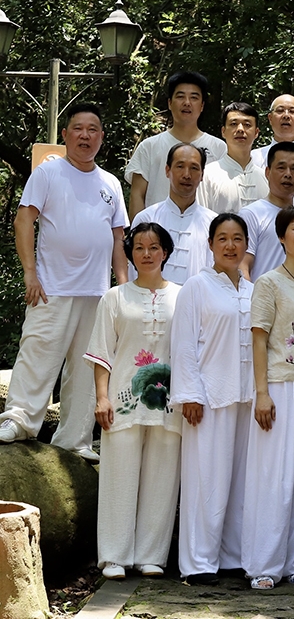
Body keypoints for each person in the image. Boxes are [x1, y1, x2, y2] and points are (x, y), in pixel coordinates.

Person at [0, 104, 128, 461]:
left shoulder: (111, 183)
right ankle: (19, 421)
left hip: (98, 293)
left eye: (92, 130)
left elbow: (118, 240)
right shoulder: (48, 173)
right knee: (38, 353)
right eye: (78, 129)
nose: (85, 135)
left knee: (89, 366)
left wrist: (123, 288)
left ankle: (75, 438)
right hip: (51, 286)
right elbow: (24, 222)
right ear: (66, 135)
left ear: (101, 137)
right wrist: (30, 273)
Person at [85, 222, 182, 580]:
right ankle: (114, 555)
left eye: (154, 247)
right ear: (130, 253)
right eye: (139, 247)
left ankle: (151, 555)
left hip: (169, 401)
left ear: (166, 252)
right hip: (122, 399)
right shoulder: (115, 297)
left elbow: (189, 351)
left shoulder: (183, 296)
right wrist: (101, 398)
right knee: (118, 475)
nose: (146, 253)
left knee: (163, 476)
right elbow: (100, 353)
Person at [241, 205, 294, 590]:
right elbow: (258, 338)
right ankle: (264, 564)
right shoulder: (268, 283)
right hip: (279, 385)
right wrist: (262, 393)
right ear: (281, 236)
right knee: (275, 476)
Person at [170, 214, 254, 586]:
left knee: (240, 481)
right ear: (211, 244)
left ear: (247, 245)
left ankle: (233, 555)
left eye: (238, 239)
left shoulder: (254, 291)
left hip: (247, 397)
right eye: (223, 238)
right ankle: (199, 562)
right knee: (206, 480)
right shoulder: (196, 287)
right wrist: (189, 393)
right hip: (207, 395)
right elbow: (184, 345)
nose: (231, 245)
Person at [125, 71, 226, 218]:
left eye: (194, 97)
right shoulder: (149, 147)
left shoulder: (219, 148)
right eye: (180, 96)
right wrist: (138, 234)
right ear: (170, 103)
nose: (187, 102)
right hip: (156, 233)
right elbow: (137, 194)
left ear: (202, 105)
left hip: (204, 233)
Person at [131, 143, 215, 285]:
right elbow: (134, 274)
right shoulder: (147, 219)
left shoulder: (213, 223)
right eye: (180, 166)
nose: (187, 175)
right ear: (167, 170)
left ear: (202, 175)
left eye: (194, 168)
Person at [240, 142, 294, 282]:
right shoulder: (251, 215)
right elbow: (243, 266)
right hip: (263, 301)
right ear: (267, 172)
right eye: (281, 168)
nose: (288, 174)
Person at [197, 102, 269, 213]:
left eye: (247, 125)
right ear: (223, 131)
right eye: (233, 124)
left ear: (256, 132)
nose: (240, 129)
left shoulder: (267, 178)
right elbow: (201, 220)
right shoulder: (207, 175)